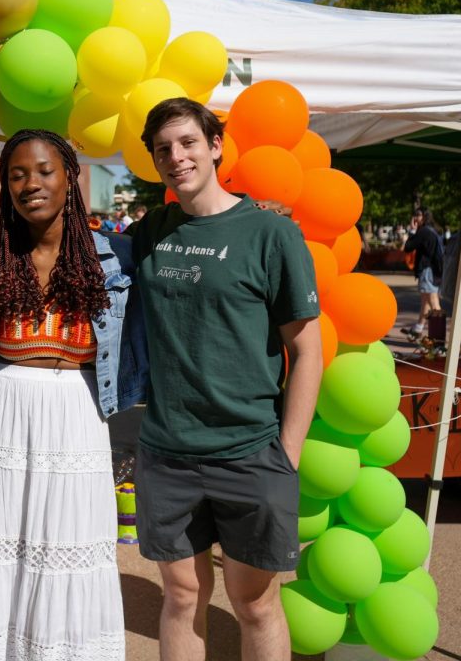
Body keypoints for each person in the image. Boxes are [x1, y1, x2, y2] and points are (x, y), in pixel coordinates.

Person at [128, 98, 322, 661]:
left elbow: (306, 351)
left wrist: (288, 450)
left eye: (188, 142)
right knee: (182, 596)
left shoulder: (269, 232)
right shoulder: (150, 233)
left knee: (255, 603)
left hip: (251, 452)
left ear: (215, 146)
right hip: (167, 453)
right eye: (163, 149)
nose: (176, 156)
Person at [0, 129, 148, 661]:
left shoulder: (117, 255)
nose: (31, 184)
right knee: (4, 543)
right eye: (16, 174)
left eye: (44, 170)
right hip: (4, 409)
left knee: (71, 543)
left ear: (71, 176)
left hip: (77, 413)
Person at [402, 207, 444, 335]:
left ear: (425, 216)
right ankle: (418, 328)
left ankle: (438, 336)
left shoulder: (424, 232)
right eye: (415, 215)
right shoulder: (434, 231)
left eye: (418, 215)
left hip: (427, 270)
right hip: (434, 270)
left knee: (433, 301)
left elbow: (408, 247)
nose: (415, 218)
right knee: (426, 300)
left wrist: (412, 231)